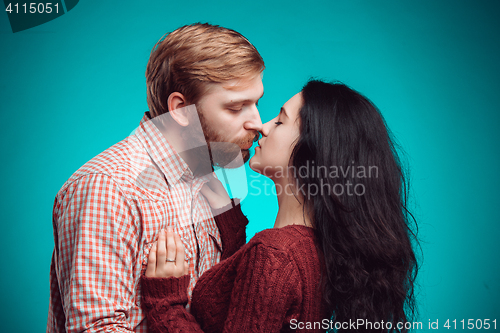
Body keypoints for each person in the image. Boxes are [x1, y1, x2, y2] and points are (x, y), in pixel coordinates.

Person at [140, 80, 419, 332]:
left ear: (313, 151)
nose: (262, 126)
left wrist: (166, 306)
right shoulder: (311, 249)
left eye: (281, 122)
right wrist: (231, 224)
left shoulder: (274, 254)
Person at [47, 23, 265, 333]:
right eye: (235, 107)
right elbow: (96, 327)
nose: (256, 122)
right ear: (180, 109)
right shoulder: (107, 187)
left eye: (256, 102)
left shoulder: (211, 180)